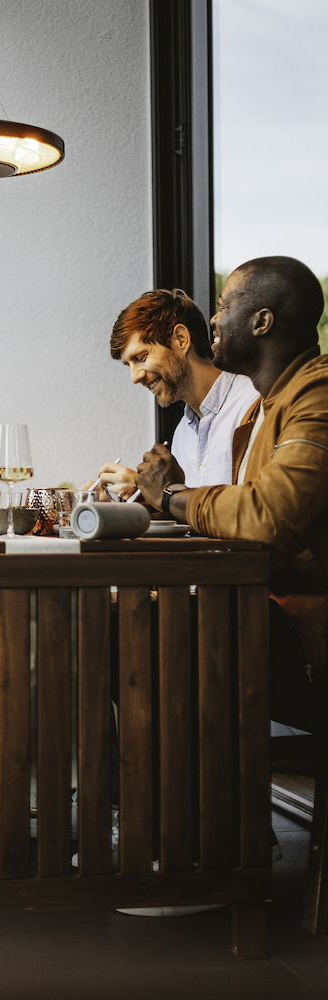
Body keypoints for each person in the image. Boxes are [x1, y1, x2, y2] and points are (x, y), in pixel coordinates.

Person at [136, 256, 328, 732]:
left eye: (224, 305)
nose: (214, 319)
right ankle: (160, 794)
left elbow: (267, 517)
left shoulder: (318, 392)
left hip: (304, 627)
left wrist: (171, 495)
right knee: (129, 620)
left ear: (262, 321)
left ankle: (180, 798)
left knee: (149, 633)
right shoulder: (270, 404)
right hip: (268, 605)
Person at [95, 288, 259, 498]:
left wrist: (143, 487)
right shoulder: (183, 433)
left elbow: (254, 510)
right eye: (129, 365)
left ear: (181, 339)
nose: (134, 377)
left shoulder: (254, 405)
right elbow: (187, 513)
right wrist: (133, 495)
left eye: (141, 357)